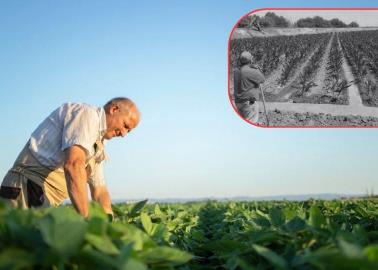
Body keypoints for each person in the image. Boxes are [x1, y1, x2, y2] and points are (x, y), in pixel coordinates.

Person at [0, 97, 140, 218]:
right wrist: (86, 217)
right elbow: (73, 165)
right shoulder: (87, 115)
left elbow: (99, 191)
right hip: (25, 188)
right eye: (125, 125)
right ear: (114, 109)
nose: (124, 134)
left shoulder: (98, 143)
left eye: (128, 131)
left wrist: (109, 225)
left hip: (41, 197)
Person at [234, 51, 265, 123]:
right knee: (251, 122)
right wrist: (256, 69)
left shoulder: (236, 70)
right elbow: (262, 79)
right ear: (250, 59)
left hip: (238, 101)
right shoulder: (251, 71)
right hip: (249, 103)